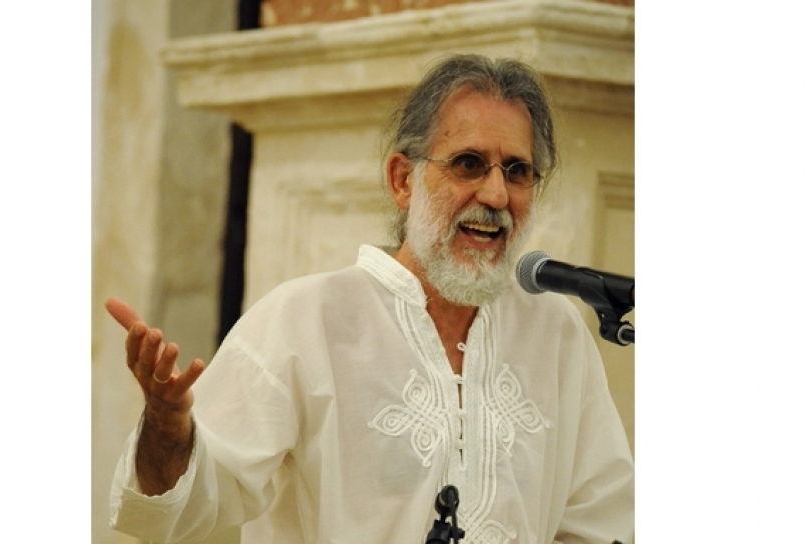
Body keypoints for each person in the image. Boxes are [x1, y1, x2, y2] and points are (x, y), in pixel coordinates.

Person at [107, 54, 634, 543]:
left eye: (517, 171)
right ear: (403, 180)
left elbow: (604, 520)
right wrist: (166, 428)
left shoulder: (556, 332)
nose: (496, 194)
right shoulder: (306, 319)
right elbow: (183, 509)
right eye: (469, 163)